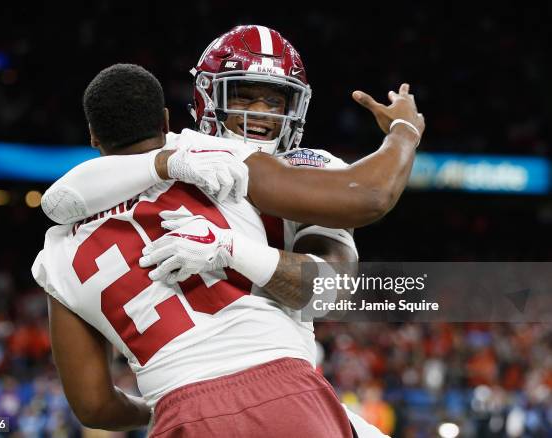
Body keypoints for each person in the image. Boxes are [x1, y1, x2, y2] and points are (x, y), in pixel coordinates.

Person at [41, 25, 424, 437]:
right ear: (199, 101)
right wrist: (405, 130)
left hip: (186, 408)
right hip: (282, 391)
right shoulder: (207, 156)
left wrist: (230, 247)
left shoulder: (63, 239)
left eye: (275, 99)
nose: (259, 112)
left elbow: (325, 292)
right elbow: (370, 195)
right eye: (243, 95)